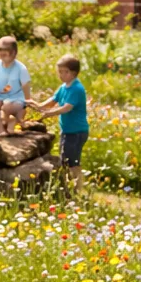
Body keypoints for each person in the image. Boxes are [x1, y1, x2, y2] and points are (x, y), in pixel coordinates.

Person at [29, 53, 89, 187]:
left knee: (72, 162)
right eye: (60, 72)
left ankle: (77, 188)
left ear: (74, 73)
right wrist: (38, 105)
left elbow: (66, 108)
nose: (61, 75)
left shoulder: (76, 88)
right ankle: (68, 186)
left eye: (65, 72)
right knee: (65, 159)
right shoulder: (64, 86)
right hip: (67, 130)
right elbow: (53, 100)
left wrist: (48, 113)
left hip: (76, 132)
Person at [0, 36, 33, 139]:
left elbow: (25, 86)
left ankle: (11, 120)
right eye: (0, 49)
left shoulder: (21, 68)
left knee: (7, 106)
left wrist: (27, 103)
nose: (3, 53)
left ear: (14, 52)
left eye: (7, 50)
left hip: (15, 99)